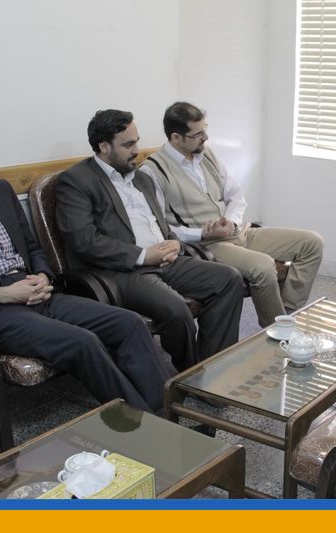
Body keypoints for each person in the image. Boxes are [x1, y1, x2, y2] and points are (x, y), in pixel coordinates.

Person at [0, 111, 174, 414]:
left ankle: (167, 414)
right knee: (83, 342)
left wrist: (43, 275)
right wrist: (0, 293)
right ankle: (143, 424)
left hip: (36, 292)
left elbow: (32, 247)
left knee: (129, 323)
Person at [56, 110, 245, 371]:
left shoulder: (142, 178)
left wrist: (174, 242)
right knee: (176, 310)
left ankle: (214, 365)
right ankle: (191, 375)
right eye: (128, 145)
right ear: (104, 146)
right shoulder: (77, 181)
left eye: (136, 141)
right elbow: (84, 241)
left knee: (229, 279)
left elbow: (161, 224)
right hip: (123, 270)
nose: (137, 150)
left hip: (167, 259)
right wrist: (143, 256)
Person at [141, 102, 324, 327]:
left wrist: (231, 222)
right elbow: (159, 229)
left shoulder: (206, 154)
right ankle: (277, 332)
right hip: (206, 246)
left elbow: (235, 194)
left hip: (238, 232)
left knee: (311, 242)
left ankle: (286, 314)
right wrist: (201, 233)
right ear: (176, 138)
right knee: (264, 266)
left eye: (205, 130)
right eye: (198, 134)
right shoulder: (152, 171)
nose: (206, 137)